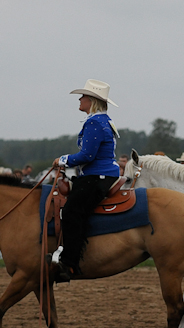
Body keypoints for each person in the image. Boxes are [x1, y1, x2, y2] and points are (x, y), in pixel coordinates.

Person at [51, 79, 120, 281]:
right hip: (104, 173)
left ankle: (69, 263)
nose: (80, 99)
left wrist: (62, 160)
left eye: (83, 96)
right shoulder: (104, 121)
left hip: (96, 175)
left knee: (72, 211)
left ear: (91, 100)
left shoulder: (94, 122)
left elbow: (87, 156)